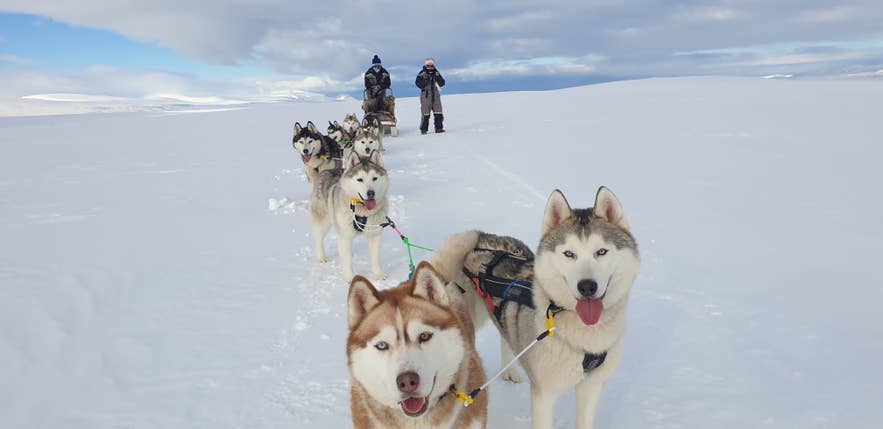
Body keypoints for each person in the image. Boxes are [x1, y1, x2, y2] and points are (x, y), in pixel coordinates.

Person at [415, 57, 445, 134]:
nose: (430, 67)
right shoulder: (422, 73)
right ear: (426, 65)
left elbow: (442, 83)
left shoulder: (436, 73)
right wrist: (426, 80)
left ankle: (439, 128)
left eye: (432, 66)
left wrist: (437, 77)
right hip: (426, 95)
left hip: (436, 94)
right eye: (428, 66)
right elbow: (417, 83)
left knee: (438, 112)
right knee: (425, 113)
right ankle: (424, 129)